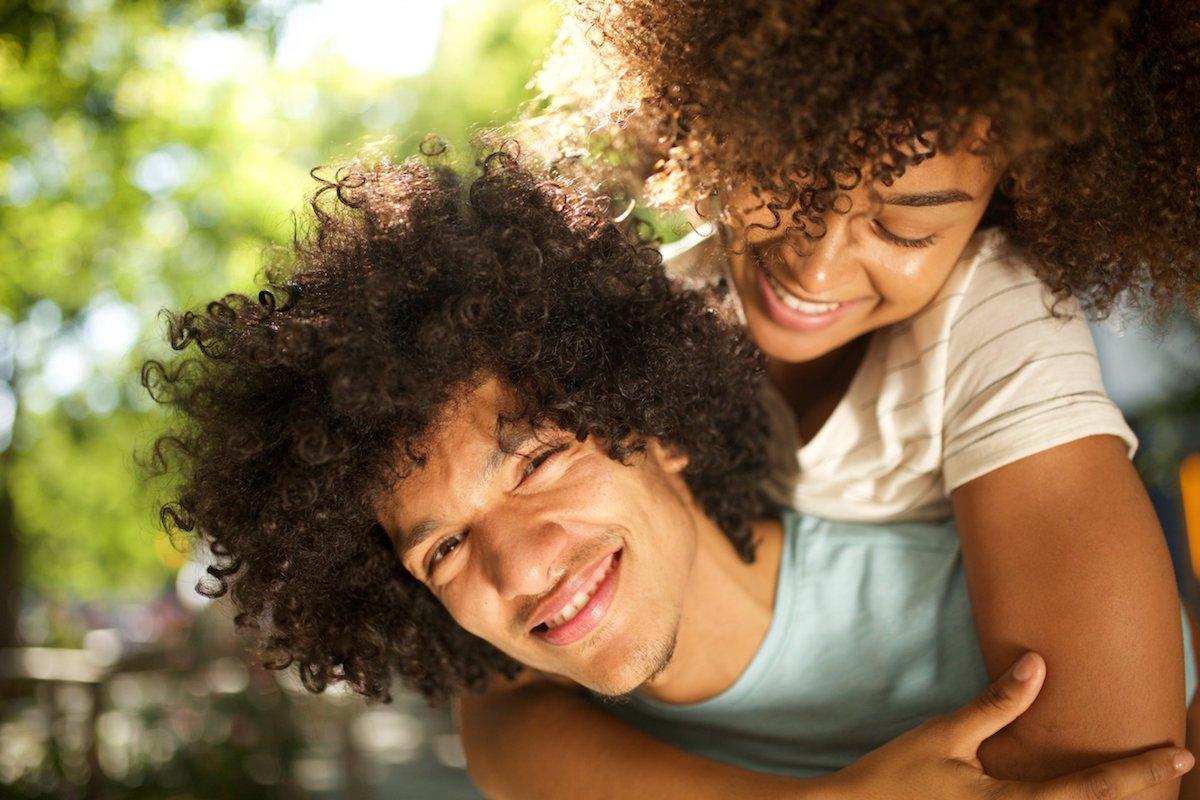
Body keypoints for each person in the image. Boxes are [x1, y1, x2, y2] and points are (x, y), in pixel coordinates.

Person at [143, 152, 1194, 798]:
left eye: (541, 457)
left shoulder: (974, 518)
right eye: (446, 545)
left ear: (660, 419)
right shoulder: (573, 745)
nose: (522, 565)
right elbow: (498, 730)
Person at [463, 1, 1200, 794]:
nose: (813, 272)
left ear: (1005, 200)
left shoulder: (989, 312)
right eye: (790, 184)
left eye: (905, 232)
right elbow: (498, 711)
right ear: (713, 121)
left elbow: (1110, 769)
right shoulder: (661, 316)